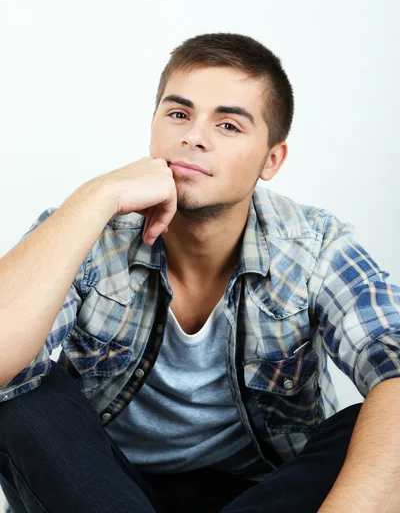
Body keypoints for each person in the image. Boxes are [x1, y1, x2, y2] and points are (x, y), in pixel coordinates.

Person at [0, 32, 399, 513]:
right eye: (178, 114)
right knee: (22, 390)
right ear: (152, 130)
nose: (193, 137)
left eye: (228, 126)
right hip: (107, 491)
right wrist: (97, 195)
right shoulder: (89, 228)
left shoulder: (315, 248)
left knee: (378, 420)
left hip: (262, 494)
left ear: (271, 160)